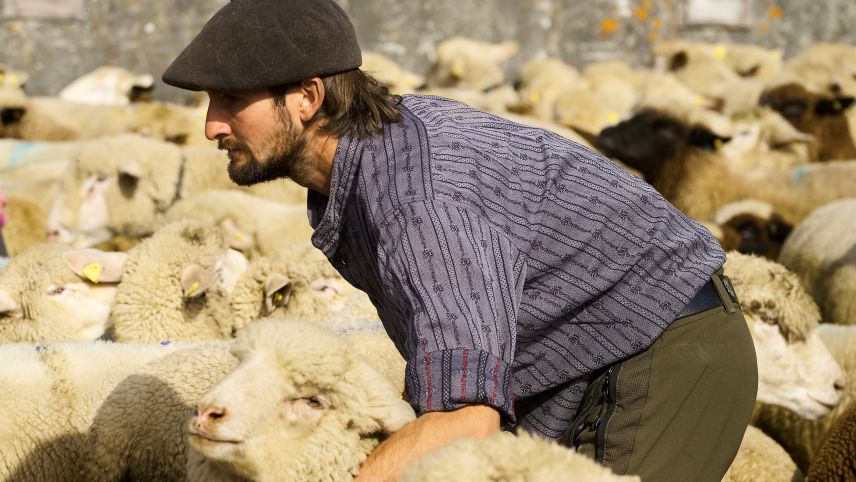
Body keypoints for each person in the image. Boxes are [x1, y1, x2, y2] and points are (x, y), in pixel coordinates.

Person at [162, 1, 758, 480]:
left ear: (309, 97)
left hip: (663, 348)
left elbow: (466, 420)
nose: (212, 124)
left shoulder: (420, 199)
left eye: (232, 100)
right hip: (581, 358)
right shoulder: (369, 165)